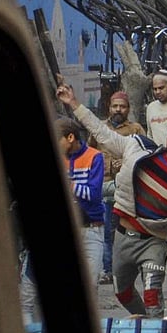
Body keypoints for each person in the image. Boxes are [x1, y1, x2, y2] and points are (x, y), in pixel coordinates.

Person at [56, 83, 167, 319]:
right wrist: (74, 104)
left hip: (155, 241)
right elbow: (102, 135)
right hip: (123, 235)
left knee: (153, 293)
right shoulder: (139, 148)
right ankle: (147, 326)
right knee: (122, 293)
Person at [88, 91, 148, 279]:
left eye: (122, 106)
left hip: (127, 187)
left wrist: (125, 161)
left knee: (129, 230)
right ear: (109, 108)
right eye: (115, 106)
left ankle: (129, 268)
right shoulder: (99, 129)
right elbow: (90, 152)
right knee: (106, 231)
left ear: (128, 109)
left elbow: (145, 155)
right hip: (104, 186)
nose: (118, 110)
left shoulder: (135, 129)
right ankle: (108, 270)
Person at [54, 117, 106, 295]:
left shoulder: (94, 157)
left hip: (91, 228)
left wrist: (70, 185)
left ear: (70, 138)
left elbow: (94, 194)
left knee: (91, 286)